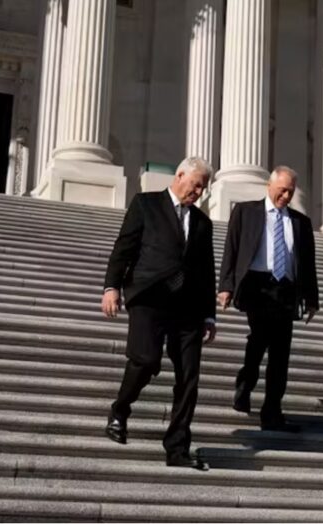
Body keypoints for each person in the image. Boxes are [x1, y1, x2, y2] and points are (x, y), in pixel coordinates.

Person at [101, 157, 218, 470]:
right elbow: (123, 247)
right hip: (149, 297)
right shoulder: (146, 204)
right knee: (145, 361)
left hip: (188, 307)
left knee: (189, 378)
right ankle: (120, 410)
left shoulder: (203, 223)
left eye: (202, 188)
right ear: (179, 175)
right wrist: (111, 287)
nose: (198, 192)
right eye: (195, 184)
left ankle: (177, 448)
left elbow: (206, 271)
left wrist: (210, 315)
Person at [218, 166, 320, 432]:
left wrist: (311, 298)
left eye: (290, 191)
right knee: (260, 338)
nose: (286, 196)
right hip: (256, 285)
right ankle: (246, 381)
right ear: (269, 186)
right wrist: (226, 286)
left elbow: (307, 263)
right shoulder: (245, 211)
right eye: (282, 190)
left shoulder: (300, 222)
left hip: (285, 288)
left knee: (280, 352)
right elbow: (232, 249)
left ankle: (272, 411)